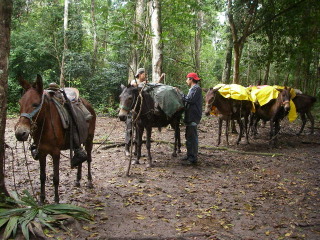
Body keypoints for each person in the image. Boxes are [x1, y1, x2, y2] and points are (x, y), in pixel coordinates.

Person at [124, 68, 165, 156]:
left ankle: (136, 151)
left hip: (141, 109)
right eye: (144, 74)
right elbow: (134, 86)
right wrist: (143, 84)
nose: (145, 75)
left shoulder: (145, 82)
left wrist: (159, 80)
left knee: (139, 131)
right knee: (130, 129)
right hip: (133, 110)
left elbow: (153, 85)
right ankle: (127, 148)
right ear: (139, 74)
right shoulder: (133, 82)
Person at [180, 72, 202, 165]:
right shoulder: (193, 89)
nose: (186, 81)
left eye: (187, 79)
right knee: (188, 137)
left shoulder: (196, 89)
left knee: (192, 137)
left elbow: (190, 99)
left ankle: (192, 158)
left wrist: (180, 94)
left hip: (193, 116)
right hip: (190, 116)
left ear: (191, 79)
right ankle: (189, 155)